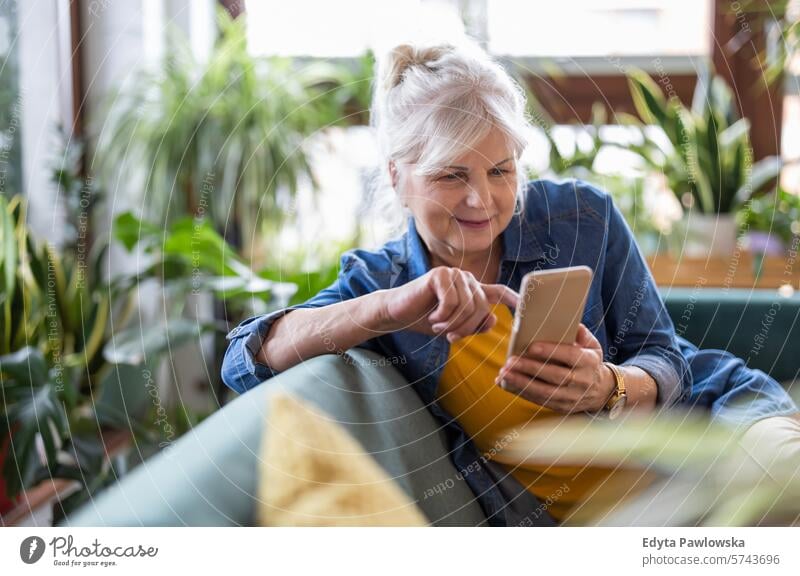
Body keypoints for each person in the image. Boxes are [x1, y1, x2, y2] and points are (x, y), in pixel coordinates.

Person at [221, 39, 799, 526]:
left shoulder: (581, 217)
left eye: (501, 170)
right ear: (397, 176)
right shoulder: (387, 283)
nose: (484, 200)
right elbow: (243, 361)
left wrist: (610, 387)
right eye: (452, 175)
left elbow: (666, 354)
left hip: (713, 429)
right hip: (609, 518)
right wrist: (391, 308)